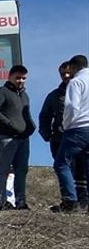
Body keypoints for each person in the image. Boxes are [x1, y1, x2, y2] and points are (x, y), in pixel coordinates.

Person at [40, 62, 89, 207]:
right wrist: (47, 134)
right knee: (64, 169)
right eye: (62, 74)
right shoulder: (54, 96)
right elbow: (45, 116)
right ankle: (68, 200)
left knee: (82, 170)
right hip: (59, 138)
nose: (66, 76)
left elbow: (73, 108)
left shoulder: (80, 85)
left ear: (74, 70)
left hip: (77, 133)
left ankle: (83, 201)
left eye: (68, 72)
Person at [0, 65, 34, 210]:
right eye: (18, 77)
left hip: (23, 139)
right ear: (10, 77)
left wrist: (31, 127)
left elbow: (26, 115)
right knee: (3, 171)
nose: (21, 81)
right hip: (5, 138)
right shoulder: (2, 92)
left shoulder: (25, 96)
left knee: (21, 171)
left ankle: (21, 202)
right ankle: (2, 203)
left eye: (23, 78)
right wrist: (8, 123)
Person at [53, 55, 89, 213]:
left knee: (61, 163)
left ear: (74, 68)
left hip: (78, 128)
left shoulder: (76, 82)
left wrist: (66, 125)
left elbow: (72, 107)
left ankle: (70, 202)